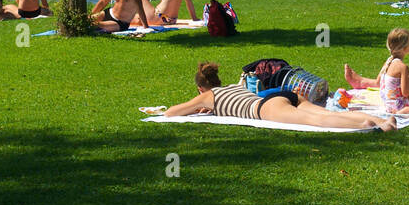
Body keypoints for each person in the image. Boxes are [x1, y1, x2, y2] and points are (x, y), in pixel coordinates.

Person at [164, 62, 396, 131]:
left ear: (200, 89)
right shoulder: (235, 87)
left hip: (266, 107)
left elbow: (171, 112)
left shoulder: (208, 96)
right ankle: (381, 121)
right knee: (323, 112)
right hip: (284, 95)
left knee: (318, 121)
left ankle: (367, 126)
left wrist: (197, 107)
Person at [374, 29, 409, 114]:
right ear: (404, 48)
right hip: (398, 105)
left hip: (387, 104)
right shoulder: (403, 67)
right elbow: (405, 93)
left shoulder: (388, 62)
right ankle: (406, 111)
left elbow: (378, 82)